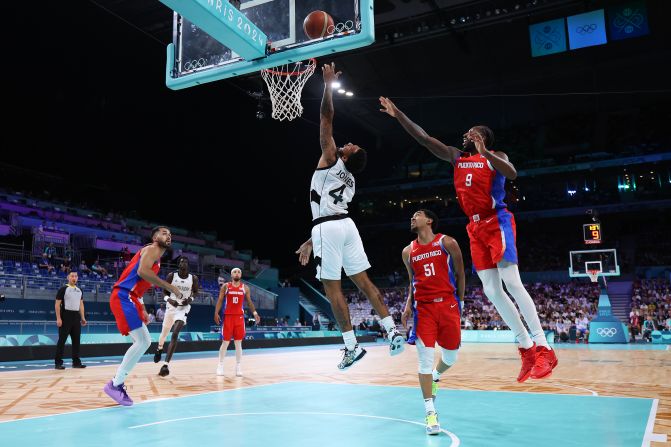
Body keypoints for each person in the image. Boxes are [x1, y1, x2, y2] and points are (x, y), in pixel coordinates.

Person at [380, 97, 557, 382]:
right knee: (491, 290)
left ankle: (544, 347)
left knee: (511, 282)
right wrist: (398, 113)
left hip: (496, 219)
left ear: (483, 137)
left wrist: (486, 151)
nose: (466, 135)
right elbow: (424, 139)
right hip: (474, 228)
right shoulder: (456, 157)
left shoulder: (495, 155)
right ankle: (525, 347)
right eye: (467, 133)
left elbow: (512, 174)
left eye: (472, 132)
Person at [295, 63, 405, 371]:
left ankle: (351, 347)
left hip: (328, 229)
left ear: (347, 156)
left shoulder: (330, 158)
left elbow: (325, 117)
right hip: (345, 226)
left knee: (333, 288)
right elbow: (330, 213)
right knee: (363, 281)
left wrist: (328, 84)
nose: (349, 143)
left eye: (352, 146)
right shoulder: (351, 181)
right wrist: (309, 241)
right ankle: (393, 332)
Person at [103, 226, 184, 406]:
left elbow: (138, 286)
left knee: (144, 341)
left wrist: (142, 307)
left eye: (170, 234)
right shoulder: (151, 249)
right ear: (154, 237)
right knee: (142, 341)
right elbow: (141, 272)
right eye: (164, 233)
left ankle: (117, 383)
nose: (168, 235)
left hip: (130, 297)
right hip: (123, 296)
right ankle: (115, 384)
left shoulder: (157, 258)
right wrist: (171, 287)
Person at [401, 210, 465, 435]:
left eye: (416, 214)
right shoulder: (408, 251)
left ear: (429, 220)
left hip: (448, 305)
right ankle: (430, 412)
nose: (412, 218)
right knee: (424, 362)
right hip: (424, 310)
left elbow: (460, 273)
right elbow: (412, 281)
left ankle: (436, 376)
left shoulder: (447, 242)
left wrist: (462, 302)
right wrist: (408, 304)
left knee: (450, 357)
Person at [154, 257, 199, 377]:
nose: (182, 263)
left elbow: (196, 292)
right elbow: (164, 292)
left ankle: (165, 365)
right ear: (178, 265)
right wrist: (169, 299)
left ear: (188, 265)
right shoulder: (171, 276)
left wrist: (190, 299)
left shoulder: (193, 278)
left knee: (175, 334)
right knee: (164, 333)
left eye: (185, 261)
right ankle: (159, 349)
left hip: (183, 308)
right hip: (171, 307)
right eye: (180, 262)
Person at [214, 268, 260, 377]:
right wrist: (216, 313)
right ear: (231, 275)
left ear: (241, 275)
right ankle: (220, 365)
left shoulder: (245, 287)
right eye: (235, 272)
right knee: (225, 342)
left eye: (239, 272)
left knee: (238, 343)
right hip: (228, 317)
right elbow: (220, 300)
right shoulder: (226, 286)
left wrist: (255, 313)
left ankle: (238, 366)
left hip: (239, 318)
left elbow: (249, 302)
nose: (237, 273)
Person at [54, 271, 87, 369]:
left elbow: (81, 304)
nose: (74, 278)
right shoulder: (63, 289)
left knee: (76, 341)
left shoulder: (79, 290)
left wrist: (83, 317)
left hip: (76, 317)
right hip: (65, 316)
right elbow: (57, 305)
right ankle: (58, 363)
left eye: (76, 276)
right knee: (62, 340)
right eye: (72, 276)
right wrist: (58, 318)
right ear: (68, 277)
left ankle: (76, 362)